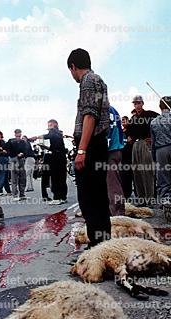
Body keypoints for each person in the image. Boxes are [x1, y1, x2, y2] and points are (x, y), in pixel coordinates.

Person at [67, 48, 111, 246]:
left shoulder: (87, 81)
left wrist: (82, 150)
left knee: (88, 198)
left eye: (71, 71)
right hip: (99, 144)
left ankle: (97, 246)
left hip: (92, 145)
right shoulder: (99, 80)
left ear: (73, 66)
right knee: (99, 197)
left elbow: (89, 115)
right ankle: (103, 244)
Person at [128, 95, 158, 207]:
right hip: (136, 144)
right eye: (135, 103)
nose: (137, 105)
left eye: (139, 103)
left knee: (147, 172)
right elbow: (129, 133)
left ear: (142, 103)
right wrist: (129, 136)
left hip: (146, 145)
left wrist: (152, 137)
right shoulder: (133, 118)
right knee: (137, 172)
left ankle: (150, 199)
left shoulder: (150, 114)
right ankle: (141, 199)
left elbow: (159, 121)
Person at [34, 120, 67, 204]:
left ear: (55, 124)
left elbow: (49, 135)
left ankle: (57, 198)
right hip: (60, 156)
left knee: (56, 177)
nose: (49, 127)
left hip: (56, 157)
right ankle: (62, 197)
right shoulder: (58, 134)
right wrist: (45, 147)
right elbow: (53, 147)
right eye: (49, 125)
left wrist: (37, 137)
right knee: (61, 177)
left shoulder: (54, 132)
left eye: (51, 125)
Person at [106, 105, 125, 215]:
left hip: (110, 149)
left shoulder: (105, 110)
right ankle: (114, 208)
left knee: (112, 182)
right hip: (116, 148)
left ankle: (117, 211)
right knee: (113, 181)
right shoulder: (114, 110)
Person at [5, 129, 27, 201]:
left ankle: (22, 194)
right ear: (15, 134)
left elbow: (25, 150)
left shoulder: (22, 142)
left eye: (19, 133)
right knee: (14, 178)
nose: (18, 134)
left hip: (20, 159)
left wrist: (22, 153)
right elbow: (6, 149)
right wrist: (12, 154)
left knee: (22, 177)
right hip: (14, 159)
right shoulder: (11, 141)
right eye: (17, 133)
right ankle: (15, 195)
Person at [121, 116, 134, 200]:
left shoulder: (131, 131)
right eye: (122, 121)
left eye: (125, 120)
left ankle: (128, 195)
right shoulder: (120, 132)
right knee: (122, 176)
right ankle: (123, 194)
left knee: (128, 176)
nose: (123, 122)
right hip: (122, 156)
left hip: (129, 156)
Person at [0, 131, 11, 196]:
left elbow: (5, 150)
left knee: (1, 174)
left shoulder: (1, 142)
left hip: (2, 158)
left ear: (0, 136)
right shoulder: (2, 142)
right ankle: (8, 190)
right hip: (4, 159)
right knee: (4, 175)